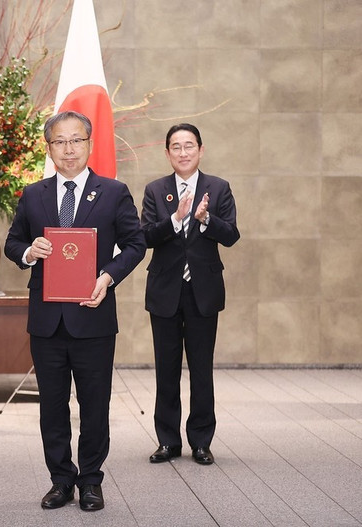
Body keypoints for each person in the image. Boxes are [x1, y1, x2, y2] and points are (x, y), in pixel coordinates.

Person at [4, 111, 146, 512]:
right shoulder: (33, 194)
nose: (68, 149)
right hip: (47, 320)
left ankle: (91, 481)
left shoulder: (114, 192)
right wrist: (30, 252)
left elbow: (135, 244)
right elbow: (13, 244)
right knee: (51, 404)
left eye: (76, 140)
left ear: (89, 143)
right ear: (48, 148)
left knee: (94, 403)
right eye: (59, 142)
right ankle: (60, 479)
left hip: (94, 316)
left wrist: (109, 276)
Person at [141, 123, 240, 466]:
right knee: (166, 370)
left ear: (201, 149)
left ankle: (201, 442)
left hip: (203, 291)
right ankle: (168, 442)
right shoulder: (155, 190)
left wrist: (205, 218)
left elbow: (231, 235)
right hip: (165, 291)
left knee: (201, 369)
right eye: (176, 147)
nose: (183, 153)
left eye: (189, 146)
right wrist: (176, 218)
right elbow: (145, 237)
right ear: (167, 153)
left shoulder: (219, 187)